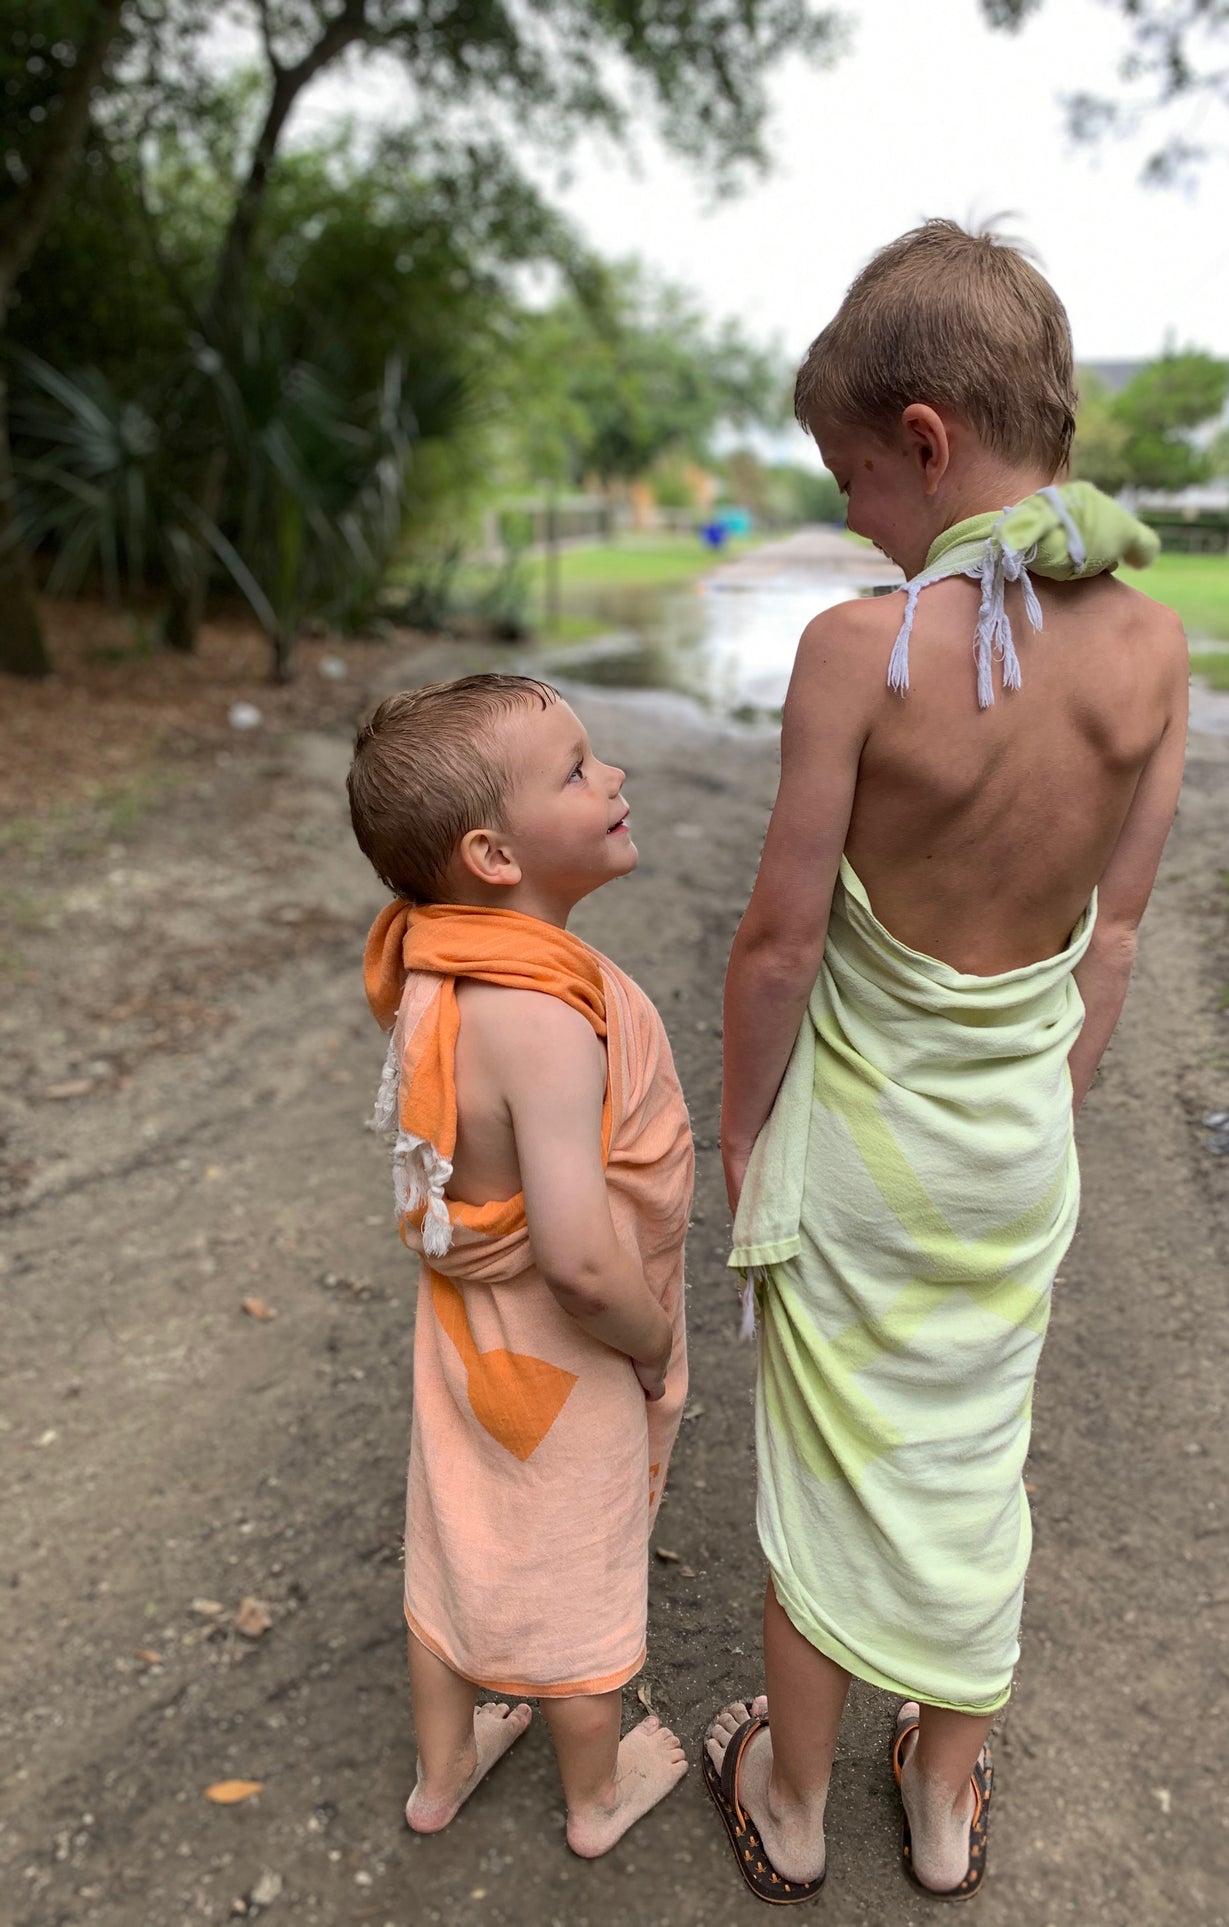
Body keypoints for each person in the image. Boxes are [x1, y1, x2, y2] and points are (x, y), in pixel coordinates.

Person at [703, 221, 1186, 1903]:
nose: (847, 518)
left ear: (923, 438)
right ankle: (941, 1795)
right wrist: (1042, 1117)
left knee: (834, 1466)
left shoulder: (864, 651)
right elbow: (1110, 938)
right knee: (976, 1465)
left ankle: (792, 1797)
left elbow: (775, 944)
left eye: (849, 479)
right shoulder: (1156, 649)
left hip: (861, 1150)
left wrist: (738, 1132)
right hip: (1005, 1152)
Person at [348, 674, 692, 1857]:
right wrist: (648, 1343)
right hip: (557, 1348)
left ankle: (440, 1776)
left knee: (453, 1534)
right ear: (494, 854)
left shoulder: (429, 963)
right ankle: (595, 1800)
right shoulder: (542, 1022)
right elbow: (580, 1259)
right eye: (579, 770)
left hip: (459, 1329)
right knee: (577, 1571)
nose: (612, 780)